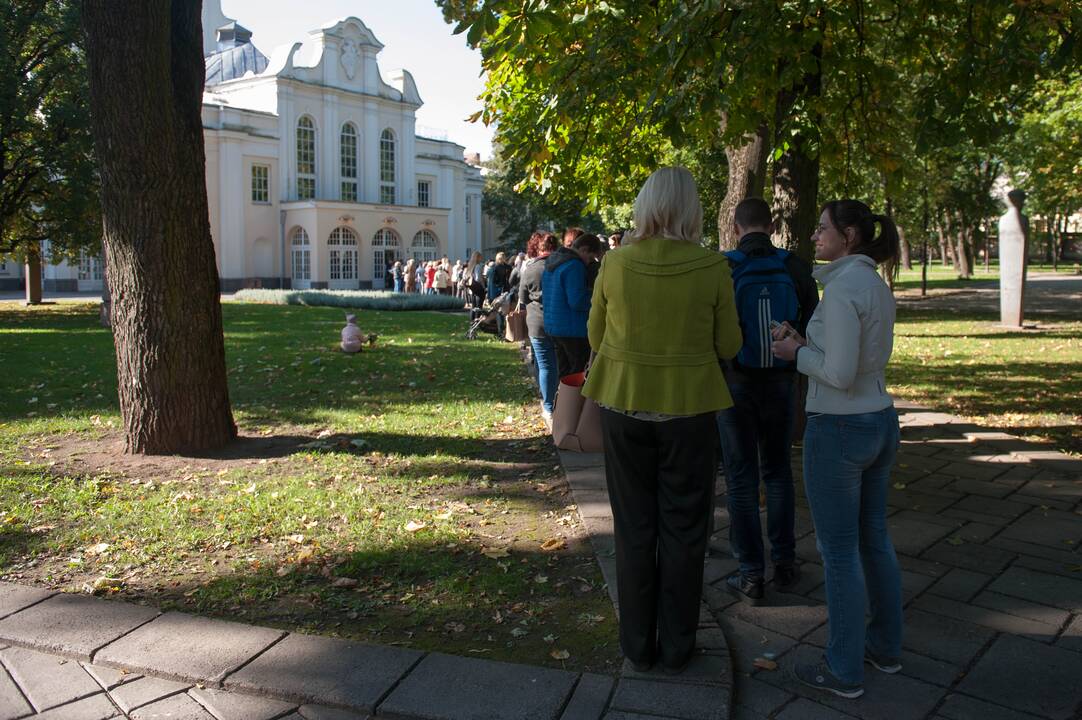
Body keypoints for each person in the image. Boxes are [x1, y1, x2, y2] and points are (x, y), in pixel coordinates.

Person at [582, 166, 742, 673]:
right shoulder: (712, 267)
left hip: (624, 405)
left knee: (633, 527)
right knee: (685, 528)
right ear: (691, 210)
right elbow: (730, 345)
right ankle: (677, 646)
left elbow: (594, 336)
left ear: (645, 206)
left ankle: (637, 646)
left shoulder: (615, 263)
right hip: (690, 410)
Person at [771, 199, 903, 700]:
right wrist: (808, 342)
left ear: (849, 235)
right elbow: (853, 359)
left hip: (841, 429)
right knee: (874, 540)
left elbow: (840, 374)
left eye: (823, 228)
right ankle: (885, 648)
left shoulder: (846, 287)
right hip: (878, 420)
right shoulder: (872, 284)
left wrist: (795, 352)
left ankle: (843, 668)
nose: (815, 236)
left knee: (840, 551)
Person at [718, 198, 819, 605]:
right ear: (771, 224)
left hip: (735, 384)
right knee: (777, 472)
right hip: (781, 380)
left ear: (735, 226)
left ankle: (750, 574)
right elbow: (812, 322)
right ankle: (787, 563)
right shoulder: (794, 266)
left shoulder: (724, 267)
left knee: (741, 479)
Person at [542, 233, 604, 377]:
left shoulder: (553, 262)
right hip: (573, 329)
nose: (589, 263)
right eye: (590, 257)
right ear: (584, 249)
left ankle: (561, 400)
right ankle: (574, 400)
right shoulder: (575, 265)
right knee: (577, 375)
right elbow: (577, 301)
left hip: (554, 326)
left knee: (563, 374)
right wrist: (596, 297)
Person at [518, 232, 560, 422]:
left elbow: (523, 298)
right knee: (559, 364)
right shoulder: (562, 266)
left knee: (544, 366)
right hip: (559, 320)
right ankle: (561, 402)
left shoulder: (531, 268)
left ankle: (549, 406)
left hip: (537, 322)